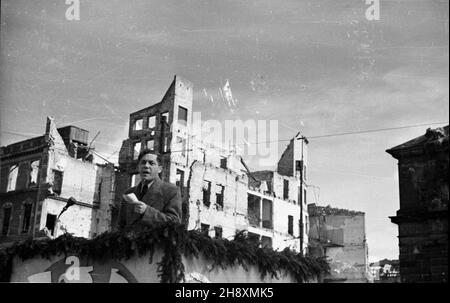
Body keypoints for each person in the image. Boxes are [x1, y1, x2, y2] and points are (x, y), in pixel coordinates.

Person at [118, 149, 182, 230]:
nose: (146, 166)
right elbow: (120, 226)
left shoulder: (171, 191)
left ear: (160, 169)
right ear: (138, 167)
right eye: (143, 162)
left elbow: (175, 223)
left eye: (151, 163)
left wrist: (146, 211)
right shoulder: (129, 193)